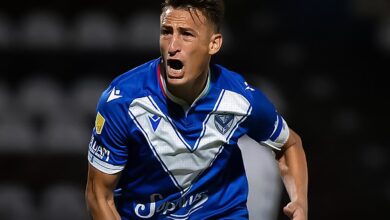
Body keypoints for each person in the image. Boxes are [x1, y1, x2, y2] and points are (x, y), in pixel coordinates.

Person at [85, 0, 308, 219]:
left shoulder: (240, 98)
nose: (173, 46)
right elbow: (99, 196)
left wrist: (299, 202)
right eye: (166, 32)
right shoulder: (123, 102)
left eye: (186, 34)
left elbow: (289, 144)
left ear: (214, 44)